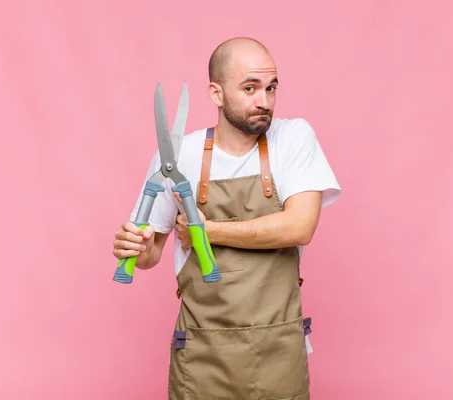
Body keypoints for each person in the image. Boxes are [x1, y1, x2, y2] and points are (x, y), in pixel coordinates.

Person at [112, 37, 341, 399]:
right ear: (216, 93)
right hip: (202, 354)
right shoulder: (178, 153)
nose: (263, 101)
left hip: (277, 351)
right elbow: (149, 254)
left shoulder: (293, 137)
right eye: (249, 88)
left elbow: (299, 226)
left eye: (271, 88)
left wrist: (209, 230)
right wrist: (135, 247)